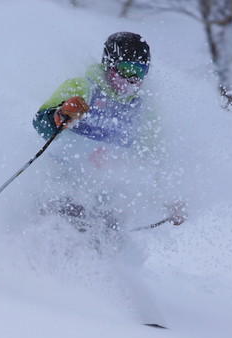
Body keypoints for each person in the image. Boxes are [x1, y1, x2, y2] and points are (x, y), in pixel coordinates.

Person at [31, 32, 186, 238]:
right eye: (126, 69)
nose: (132, 79)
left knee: (105, 253)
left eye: (139, 72)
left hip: (106, 207)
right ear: (109, 65)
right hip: (62, 191)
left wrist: (168, 199)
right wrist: (59, 117)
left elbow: (152, 159)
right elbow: (40, 123)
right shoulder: (83, 88)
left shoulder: (141, 109)